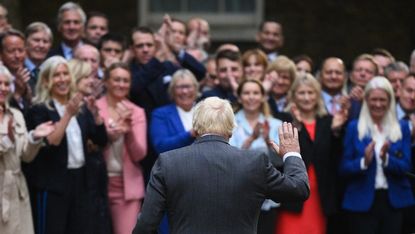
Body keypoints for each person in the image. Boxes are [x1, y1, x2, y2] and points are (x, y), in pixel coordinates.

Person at [133, 96, 310, 234]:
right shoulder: (254, 162)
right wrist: (292, 153)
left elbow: (146, 224)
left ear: (196, 126)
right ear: (231, 129)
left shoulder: (168, 162)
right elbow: (299, 189)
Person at [24, 56, 107, 234]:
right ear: (46, 81)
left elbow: (101, 141)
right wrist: (68, 114)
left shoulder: (81, 107)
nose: (62, 79)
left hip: (80, 180)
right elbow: (52, 142)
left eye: (65, 74)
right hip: (53, 184)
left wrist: (96, 116)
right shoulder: (39, 109)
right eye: (56, 75)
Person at [340, 77, 414, 234]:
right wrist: (364, 162)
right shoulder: (354, 127)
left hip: (393, 201)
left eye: (383, 99)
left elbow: (406, 166)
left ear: (390, 101)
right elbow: (343, 168)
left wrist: (386, 158)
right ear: (366, 100)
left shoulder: (402, 128)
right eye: (373, 99)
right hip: (361, 201)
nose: (378, 104)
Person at [276, 73, 348, 234]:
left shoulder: (328, 121)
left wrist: (335, 132)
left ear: (318, 95)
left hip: (319, 197)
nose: (307, 98)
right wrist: (298, 126)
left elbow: (334, 160)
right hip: (293, 195)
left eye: (311, 93)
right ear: (293, 95)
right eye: (302, 93)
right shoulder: (284, 120)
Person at [0, 65, 54, 234]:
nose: (3, 88)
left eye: (7, 84)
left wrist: (34, 138)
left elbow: (26, 156)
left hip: (17, 189)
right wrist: (7, 141)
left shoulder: (15, 114)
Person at [96, 62, 147, 234]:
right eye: (117, 79)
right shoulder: (94, 108)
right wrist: (112, 132)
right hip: (96, 184)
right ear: (106, 81)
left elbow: (140, 154)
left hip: (126, 188)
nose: (121, 84)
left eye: (126, 80)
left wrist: (129, 130)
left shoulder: (137, 112)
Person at [229, 79, 283, 234]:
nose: (251, 97)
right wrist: (251, 139)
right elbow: (227, 159)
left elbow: (280, 161)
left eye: (255, 93)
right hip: (236, 194)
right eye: (246, 93)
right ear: (239, 97)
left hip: (267, 196)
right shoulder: (229, 123)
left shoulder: (275, 124)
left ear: (263, 97)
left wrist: (267, 141)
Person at [24, 22, 53, 92]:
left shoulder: (51, 71)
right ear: (25, 42)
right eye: (36, 40)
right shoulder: (18, 69)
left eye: (45, 41)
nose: (41, 45)